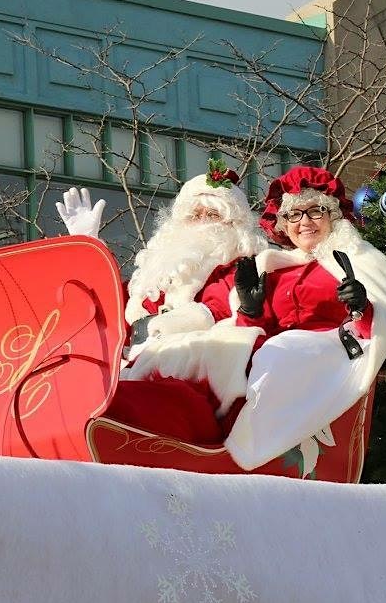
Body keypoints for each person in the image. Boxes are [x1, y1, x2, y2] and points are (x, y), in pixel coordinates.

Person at [55, 161, 270, 442]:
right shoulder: (157, 273)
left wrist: (159, 326)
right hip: (131, 363)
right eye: (195, 214)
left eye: (213, 214)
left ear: (234, 225)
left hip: (189, 374)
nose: (203, 221)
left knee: (129, 402)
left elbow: (219, 308)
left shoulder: (239, 268)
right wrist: (88, 246)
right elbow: (110, 308)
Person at [221, 166, 386, 471]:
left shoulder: (358, 258)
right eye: (294, 214)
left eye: (315, 211)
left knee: (279, 354)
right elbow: (252, 334)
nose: (304, 222)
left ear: (332, 215)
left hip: (331, 351)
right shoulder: (274, 266)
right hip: (274, 352)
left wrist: (363, 308)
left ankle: (246, 456)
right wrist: (249, 312)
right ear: (284, 223)